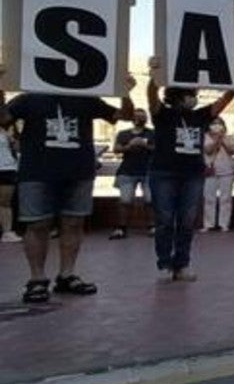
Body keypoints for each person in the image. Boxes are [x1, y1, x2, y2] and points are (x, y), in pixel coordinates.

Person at [0, 79, 136, 303]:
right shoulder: (30, 98)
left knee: (73, 222)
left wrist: (125, 92)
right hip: (37, 171)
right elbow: (3, 119)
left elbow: (124, 115)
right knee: (37, 224)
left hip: (78, 171)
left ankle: (67, 274)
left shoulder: (85, 98)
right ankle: (37, 279)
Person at [146, 57, 234, 282]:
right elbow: (151, 96)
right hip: (164, 172)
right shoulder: (163, 114)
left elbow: (225, 99)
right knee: (164, 219)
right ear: (178, 95)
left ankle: (182, 264)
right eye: (191, 94)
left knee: (187, 220)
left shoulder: (199, 115)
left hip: (192, 172)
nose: (195, 98)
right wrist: (155, 75)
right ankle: (164, 264)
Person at [110, 108, 154, 239]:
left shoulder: (152, 133)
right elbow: (116, 149)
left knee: (150, 200)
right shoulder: (123, 134)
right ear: (132, 119)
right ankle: (121, 228)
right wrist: (130, 146)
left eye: (143, 116)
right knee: (125, 200)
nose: (140, 119)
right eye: (137, 116)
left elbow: (160, 149)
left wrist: (145, 145)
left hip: (148, 171)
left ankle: (152, 226)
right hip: (127, 171)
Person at [202, 117, 234, 232]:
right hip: (210, 171)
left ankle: (224, 224)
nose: (217, 125)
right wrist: (216, 139)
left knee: (225, 198)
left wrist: (222, 139)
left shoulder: (229, 137)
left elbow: (232, 151)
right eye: (214, 123)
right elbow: (208, 150)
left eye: (219, 123)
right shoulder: (204, 137)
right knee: (209, 198)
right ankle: (209, 224)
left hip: (226, 171)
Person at [0, 125, 20, 244]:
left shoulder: (5, 131)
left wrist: (11, 138)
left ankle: (7, 232)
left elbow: (17, 148)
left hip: (7, 168)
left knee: (5, 201)